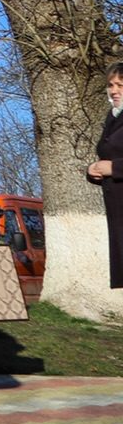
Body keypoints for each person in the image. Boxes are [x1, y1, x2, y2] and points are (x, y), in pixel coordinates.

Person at [90, 62, 123, 289]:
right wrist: (93, 170)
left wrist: (114, 168)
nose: (114, 90)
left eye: (120, 85)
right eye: (111, 85)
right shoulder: (112, 117)